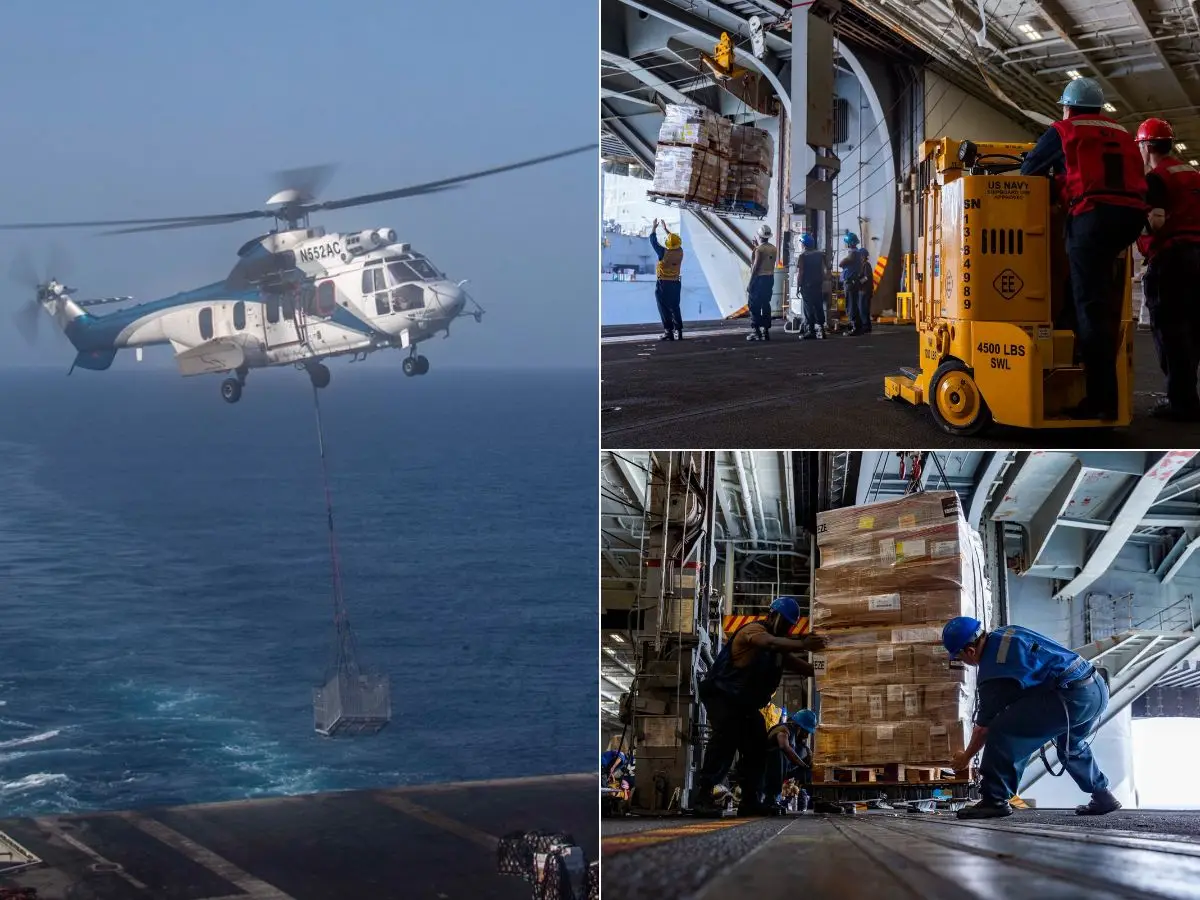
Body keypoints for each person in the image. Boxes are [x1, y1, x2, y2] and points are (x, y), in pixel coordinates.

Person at [1019, 76, 1148, 420]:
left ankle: (1101, 401)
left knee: (1091, 306)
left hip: (1094, 216)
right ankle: (1074, 334)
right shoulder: (1122, 132)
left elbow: (1027, 171)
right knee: (1095, 296)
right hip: (1130, 217)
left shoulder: (1063, 130)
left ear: (1068, 106)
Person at [942, 616, 1121, 820]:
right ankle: (1102, 795)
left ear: (970, 651)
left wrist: (965, 757)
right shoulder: (1007, 632)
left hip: (1071, 697)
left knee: (1003, 730)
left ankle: (995, 800)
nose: (963, 662)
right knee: (1072, 745)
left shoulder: (993, 671)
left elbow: (984, 728)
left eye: (959, 657)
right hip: (1096, 688)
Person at [690, 597, 826, 816]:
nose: (784, 629)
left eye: (788, 626)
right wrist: (803, 644)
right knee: (726, 737)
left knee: (757, 748)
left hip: (744, 704)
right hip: (723, 695)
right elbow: (769, 643)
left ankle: (751, 800)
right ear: (772, 616)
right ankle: (703, 796)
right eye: (783, 623)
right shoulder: (754, 631)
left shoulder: (778, 651)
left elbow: (808, 669)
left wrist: (837, 664)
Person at [1134, 118, 1200, 420]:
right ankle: (1188, 396)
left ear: (1147, 146)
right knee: (1193, 329)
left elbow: (1157, 221)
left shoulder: (1158, 178)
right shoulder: (1194, 174)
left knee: (1171, 331)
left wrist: (1136, 222)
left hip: (1174, 259)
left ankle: (1181, 402)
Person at [761, 708, 816, 811]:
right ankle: (770, 799)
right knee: (779, 754)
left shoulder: (797, 738)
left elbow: (804, 753)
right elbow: (784, 746)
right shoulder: (784, 730)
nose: (807, 736)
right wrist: (802, 765)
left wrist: (809, 760)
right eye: (807, 732)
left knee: (805, 754)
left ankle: (807, 798)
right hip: (764, 768)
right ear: (800, 727)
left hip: (779, 769)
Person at [649, 219, 684, 341]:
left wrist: (654, 227)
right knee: (675, 306)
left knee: (663, 307)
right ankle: (678, 332)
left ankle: (668, 332)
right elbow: (673, 240)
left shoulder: (663, 252)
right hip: (676, 283)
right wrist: (666, 229)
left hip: (663, 283)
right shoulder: (680, 252)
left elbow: (653, 241)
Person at [746, 224, 778, 342]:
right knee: (765, 304)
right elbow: (765, 258)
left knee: (754, 305)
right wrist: (756, 247)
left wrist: (750, 282)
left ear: (759, 236)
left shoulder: (759, 249)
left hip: (759, 279)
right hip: (769, 279)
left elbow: (756, 266)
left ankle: (756, 331)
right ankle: (765, 331)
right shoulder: (773, 248)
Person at [838, 232, 872, 335]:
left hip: (852, 284)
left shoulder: (853, 253)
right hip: (855, 284)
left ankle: (856, 327)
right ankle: (859, 326)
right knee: (856, 306)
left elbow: (841, 263)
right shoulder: (857, 255)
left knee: (851, 306)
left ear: (849, 243)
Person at [797, 233, 827, 340]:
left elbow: (801, 272)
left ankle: (810, 331)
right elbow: (823, 271)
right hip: (818, 284)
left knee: (808, 308)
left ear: (803, 244)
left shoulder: (802, 256)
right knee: (818, 306)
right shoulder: (820, 255)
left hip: (807, 285)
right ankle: (821, 329)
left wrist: (798, 286)